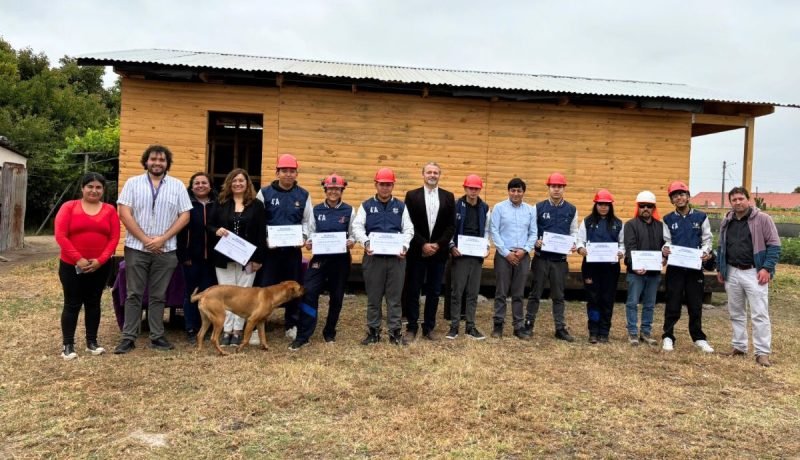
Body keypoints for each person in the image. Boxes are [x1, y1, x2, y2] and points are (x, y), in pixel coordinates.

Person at [114, 144, 192, 354]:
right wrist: (146, 240)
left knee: (159, 295)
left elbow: (185, 215)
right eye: (153, 159)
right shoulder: (132, 183)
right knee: (134, 294)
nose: (157, 163)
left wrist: (163, 239)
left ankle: (157, 336)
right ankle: (128, 337)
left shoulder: (177, 186)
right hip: (136, 248)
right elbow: (124, 213)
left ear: (167, 163)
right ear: (146, 161)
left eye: (162, 160)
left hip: (166, 250)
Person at [54, 172, 120, 359]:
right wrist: (79, 259)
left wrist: (100, 260)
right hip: (71, 265)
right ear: (82, 188)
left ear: (103, 190)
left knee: (93, 303)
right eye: (90, 186)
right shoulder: (69, 207)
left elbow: (114, 238)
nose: (94, 190)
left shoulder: (109, 210)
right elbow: (61, 236)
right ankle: (68, 345)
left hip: (100, 266)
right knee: (72, 304)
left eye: (98, 187)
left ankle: (92, 342)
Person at [717, 186, 781, 367]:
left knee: (759, 313)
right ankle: (739, 346)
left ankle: (762, 352)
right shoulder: (727, 220)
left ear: (748, 199)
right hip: (732, 271)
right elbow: (721, 246)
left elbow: (774, 245)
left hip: (755, 271)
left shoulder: (762, 219)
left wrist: (767, 268)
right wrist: (721, 269)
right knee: (736, 312)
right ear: (730, 202)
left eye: (740, 199)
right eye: (734, 200)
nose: (737, 202)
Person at [351, 167, 415, 346]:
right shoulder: (366, 206)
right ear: (376, 184)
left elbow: (409, 229)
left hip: (396, 259)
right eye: (382, 184)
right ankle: (373, 332)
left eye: (388, 184)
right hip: (374, 258)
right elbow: (357, 227)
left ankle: (395, 333)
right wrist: (366, 243)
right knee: (374, 297)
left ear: (393, 185)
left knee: (394, 298)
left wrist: (404, 245)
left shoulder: (401, 207)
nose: (385, 188)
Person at [291, 173, 355, 350]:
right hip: (319, 259)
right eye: (330, 188)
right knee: (309, 292)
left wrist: (351, 241)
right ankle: (304, 335)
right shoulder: (316, 210)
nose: (333, 191)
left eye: (337, 188)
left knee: (337, 297)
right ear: (325, 189)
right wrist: (309, 242)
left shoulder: (349, 210)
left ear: (342, 190)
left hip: (340, 261)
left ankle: (329, 331)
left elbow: (353, 234)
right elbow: (310, 232)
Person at [256, 153, 312, 341]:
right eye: (284, 171)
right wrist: (265, 238)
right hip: (271, 252)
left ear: (296, 173)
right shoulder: (264, 193)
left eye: (292, 171)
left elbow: (307, 222)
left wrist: (303, 237)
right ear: (277, 172)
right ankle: (258, 325)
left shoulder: (303, 195)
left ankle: (292, 324)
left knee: (293, 288)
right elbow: (258, 220)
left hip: (292, 252)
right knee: (265, 288)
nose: (288, 174)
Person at [208, 168, 266, 347]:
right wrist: (216, 230)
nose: (238, 184)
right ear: (229, 183)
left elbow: (260, 234)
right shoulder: (221, 202)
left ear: (247, 183)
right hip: (223, 258)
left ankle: (238, 330)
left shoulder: (257, 205)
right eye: (234, 180)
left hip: (248, 259)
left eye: (241, 180)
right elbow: (209, 225)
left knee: (244, 295)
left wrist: (258, 259)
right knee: (226, 294)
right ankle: (226, 330)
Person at [402, 162, 456, 341]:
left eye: (435, 172)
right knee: (413, 289)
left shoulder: (448, 197)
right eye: (429, 172)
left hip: (438, 253)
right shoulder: (412, 196)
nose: (432, 175)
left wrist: (438, 245)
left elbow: (450, 226)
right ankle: (411, 326)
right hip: (417, 251)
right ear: (423, 174)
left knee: (433, 291)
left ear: (439, 175)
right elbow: (408, 224)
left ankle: (429, 327)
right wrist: (423, 244)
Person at [660, 181, 714, 353]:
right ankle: (668, 337)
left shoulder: (701, 217)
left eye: (682, 194)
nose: (679, 198)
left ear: (688, 196)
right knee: (672, 303)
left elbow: (707, 240)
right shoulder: (668, 219)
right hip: (675, 269)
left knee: (695, 304)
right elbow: (666, 241)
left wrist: (705, 252)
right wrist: (665, 249)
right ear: (672, 200)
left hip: (694, 268)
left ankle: (698, 338)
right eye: (675, 195)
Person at [526, 172, 579, 342]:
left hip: (560, 261)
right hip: (541, 258)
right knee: (535, 293)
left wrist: (574, 243)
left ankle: (560, 328)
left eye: (559, 186)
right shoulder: (538, 207)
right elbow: (532, 230)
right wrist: (536, 242)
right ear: (548, 188)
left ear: (564, 188)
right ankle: (528, 324)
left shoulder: (572, 209)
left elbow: (574, 231)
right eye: (553, 186)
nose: (556, 189)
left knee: (558, 295)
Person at [488, 178, 538, 339]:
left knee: (518, 292)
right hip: (504, 255)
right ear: (508, 191)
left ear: (523, 192)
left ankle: (518, 326)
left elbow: (533, 233)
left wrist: (524, 250)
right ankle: (498, 325)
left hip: (523, 256)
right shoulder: (499, 208)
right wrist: (506, 253)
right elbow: (494, 231)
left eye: (519, 191)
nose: (516, 193)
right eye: (513, 190)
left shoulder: (530, 210)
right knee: (501, 292)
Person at [445, 174, 490, 340]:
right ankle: (454, 326)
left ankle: (470, 326)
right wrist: (451, 246)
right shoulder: (456, 205)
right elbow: (449, 228)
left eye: (476, 188)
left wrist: (486, 246)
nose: (473, 191)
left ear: (480, 190)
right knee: (457, 292)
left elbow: (487, 230)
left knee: (473, 292)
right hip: (460, 255)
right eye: (470, 188)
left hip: (476, 256)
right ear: (465, 188)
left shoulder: (485, 208)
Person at [575, 189, 623, 344]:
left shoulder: (618, 223)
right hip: (591, 267)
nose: (603, 207)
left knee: (607, 299)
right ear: (596, 205)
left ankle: (604, 332)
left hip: (610, 267)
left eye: (606, 205)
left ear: (610, 206)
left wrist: (621, 252)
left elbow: (622, 244)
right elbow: (580, 241)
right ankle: (593, 332)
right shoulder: (587, 222)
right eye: (600, 204)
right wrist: (581, 249)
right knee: (593, 299)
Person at [176, 172, 218, 345]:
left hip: (213, 259)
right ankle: (191, 328)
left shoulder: (219, 203)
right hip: (191, 258)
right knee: (191, 295)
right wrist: (183, 255)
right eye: (197, 183)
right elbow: (179, 232)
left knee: (210, 296)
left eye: (204, 182)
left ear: (210, 185)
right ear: (191, 186)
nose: (200, 185)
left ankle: (206, 328)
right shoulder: (185, 204)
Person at [623, 190, 664, 347]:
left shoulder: (661, 227)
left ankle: (645, 332)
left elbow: (664, 247)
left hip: (654, 273)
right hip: (636, 273)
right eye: (642, 206)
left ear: (654, 208)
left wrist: (665, 256)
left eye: (649, 206)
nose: (645, 208)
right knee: (632, 302)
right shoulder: (630, 225)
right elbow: (630, 248)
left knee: (650, 304)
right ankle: (633, 333)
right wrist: (635, 265)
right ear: (638, 207)